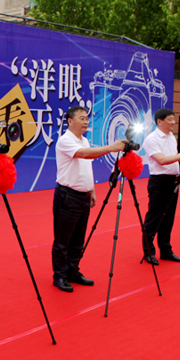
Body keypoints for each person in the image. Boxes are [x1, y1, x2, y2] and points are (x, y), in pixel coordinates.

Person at [52, 106, 127, 292]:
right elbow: (84, 154)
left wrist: (91, 190)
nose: (86, 121)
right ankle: (59, 275)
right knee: (63, 240)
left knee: (78, 239)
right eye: (81, 118)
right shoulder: (65, 140)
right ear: (70, 121)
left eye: (87, 118)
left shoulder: (84, 140)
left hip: (83, 196)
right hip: (68, 196)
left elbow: (87, 165)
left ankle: (72, 271)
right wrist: (112, 147)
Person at [140, 109, 180, 265]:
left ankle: (166, 250)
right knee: (154, 217)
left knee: (168, 217)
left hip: (173, 180)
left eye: (174, 119)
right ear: (160, 121)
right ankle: (149, 252)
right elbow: (162, 160)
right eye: (170, 119)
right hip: (159, 182)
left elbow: (173, 158)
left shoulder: (172, 137)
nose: (173, 122)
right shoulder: (151, 139)